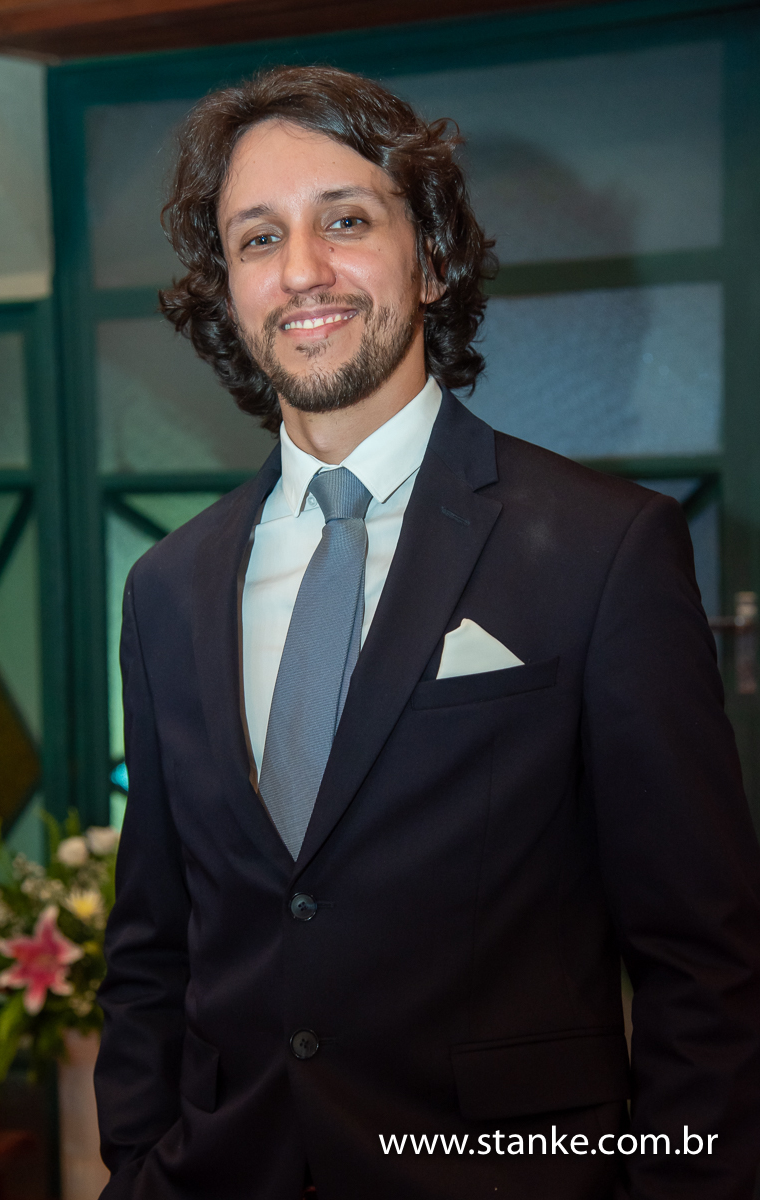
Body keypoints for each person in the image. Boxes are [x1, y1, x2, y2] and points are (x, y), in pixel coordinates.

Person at [94, 65, 760, 1200]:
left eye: (344, 221)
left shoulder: (608, 551)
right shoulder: (167, 585)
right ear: (229, 290)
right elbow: (154, 948)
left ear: (435, 256)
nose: (301, 271)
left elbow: (705, 965)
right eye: (258, 240)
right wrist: (140, 1161)